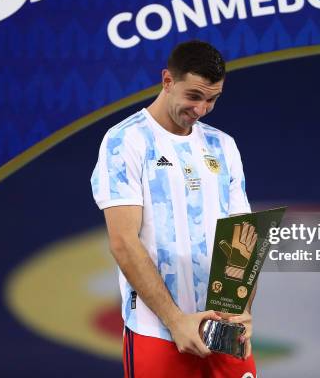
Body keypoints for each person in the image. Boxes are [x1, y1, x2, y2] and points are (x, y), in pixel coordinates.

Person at [91, 40, 256, 377]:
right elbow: (123, 242)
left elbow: (244, 238)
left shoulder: (222, 145)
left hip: (223, 333)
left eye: (212, 99)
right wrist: (176, 321)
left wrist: (241, 310)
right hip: (159, 331)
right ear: (167, 80)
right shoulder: (125, 141)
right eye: (194, 96)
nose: (202, 109)